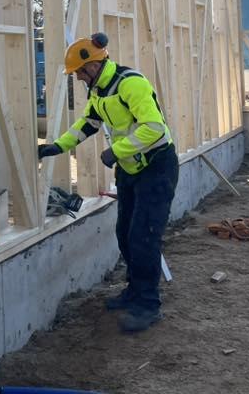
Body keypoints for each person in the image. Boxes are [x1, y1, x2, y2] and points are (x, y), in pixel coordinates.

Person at [38, 32, 179, 333]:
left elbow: (154, 128)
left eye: (79, 72)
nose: (78, 78)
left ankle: (148, 305)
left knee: (144, 237)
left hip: (156, 168)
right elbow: (89, 123)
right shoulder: (99, 91)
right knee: (125, 233)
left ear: (92, 66)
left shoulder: (131, 84)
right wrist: (59, 146)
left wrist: (116, 151)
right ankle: (134, 291)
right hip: (130, 169)